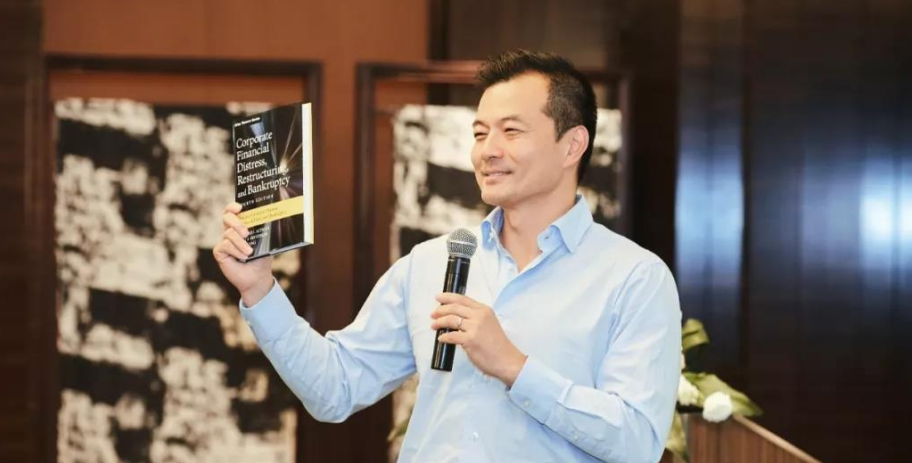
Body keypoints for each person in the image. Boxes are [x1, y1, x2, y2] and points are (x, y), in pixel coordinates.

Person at [214, 50, 681, 463]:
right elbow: (334, 389)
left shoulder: (634, 277)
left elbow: (638, 442)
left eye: (511, 131)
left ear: (572, 145)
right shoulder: (430, 263)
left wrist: (514, 367)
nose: (487, 151)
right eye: (479, 133)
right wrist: (260, 290)